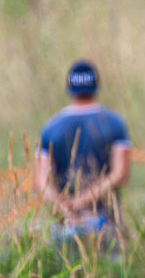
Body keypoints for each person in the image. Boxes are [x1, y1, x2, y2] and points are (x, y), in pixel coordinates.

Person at [34, 60, 133, 240]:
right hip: (106, 220)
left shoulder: (50, 128)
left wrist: (64, 206)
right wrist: (84, 200)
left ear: (69, 88)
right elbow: (120, 174)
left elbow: (42, 183)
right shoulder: (115, 124)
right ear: (96, 86)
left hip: (66, 222)